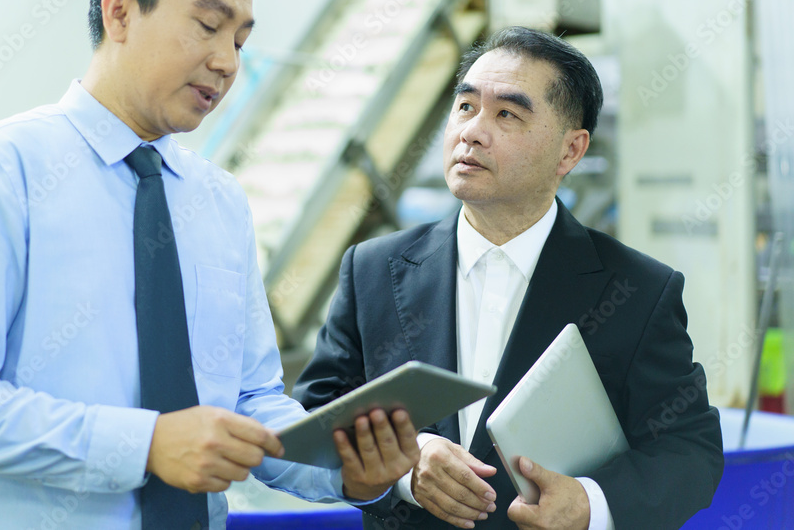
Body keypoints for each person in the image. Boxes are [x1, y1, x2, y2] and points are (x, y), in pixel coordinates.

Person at [0, 0, 419, 530]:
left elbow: (250, 401)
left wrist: (343, 469)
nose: (227, 62)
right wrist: (143, 446)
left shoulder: (219, 201)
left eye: (239, 41)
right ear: (120, 12)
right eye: (208, 26)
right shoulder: (0, 171)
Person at [293, 26, 724, 530]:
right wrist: (407, 464)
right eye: (465, 106)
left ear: (570, 151)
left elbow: (689, 450)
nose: (472, 132)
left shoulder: (636, 290)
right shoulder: (372, 270)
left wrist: (588, 503)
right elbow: (318, 412)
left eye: (507, 115)